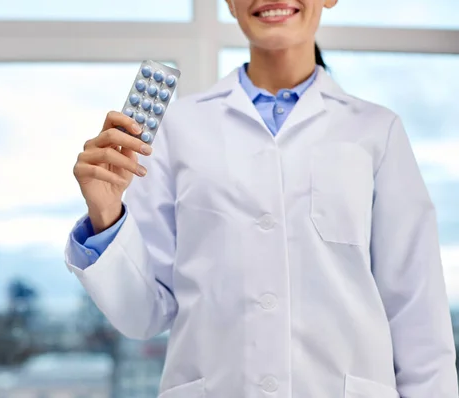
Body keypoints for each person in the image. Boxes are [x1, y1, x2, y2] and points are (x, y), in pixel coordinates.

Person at [65, 0, 459, 397]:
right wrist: (106, 212)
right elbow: (142, 314)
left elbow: (419, 321)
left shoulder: (376, 131)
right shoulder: (178, 129)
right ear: (230, 4)